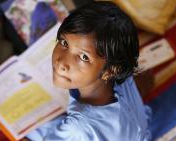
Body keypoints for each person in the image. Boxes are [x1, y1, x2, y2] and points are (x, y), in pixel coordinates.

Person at [25, 1, 151, 141]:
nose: (61, 63)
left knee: (33, 131)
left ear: (109, 71)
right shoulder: (122, 74)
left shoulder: (78, 127)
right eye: (64, 43)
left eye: (84, 57)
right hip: (135, 131)